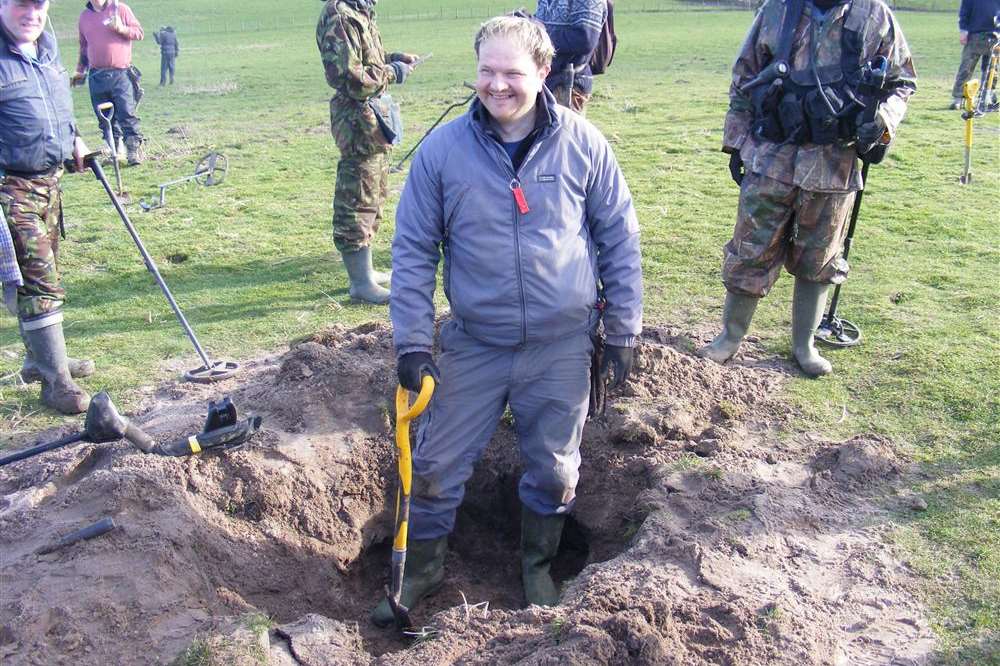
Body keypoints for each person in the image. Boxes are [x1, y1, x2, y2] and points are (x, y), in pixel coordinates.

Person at [376, 15, 642, 626]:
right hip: (475, 345)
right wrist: (413, 343)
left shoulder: (583, 144)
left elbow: (619, 238)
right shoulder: (442, 153)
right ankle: (421, 570)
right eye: (486, 72)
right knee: (437, 467)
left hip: (562, 347)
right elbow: (413, 251)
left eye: (512, 73)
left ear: (544, 72)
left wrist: (623, 331)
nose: (497, 86)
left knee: (554, 469)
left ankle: (538, 568)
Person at [700, 0, 916, 377]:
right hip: (771, 156)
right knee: (750, 249)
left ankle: (805, 345)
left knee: (820, 259)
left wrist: (883, 120)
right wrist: (735, 142)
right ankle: (730, 338)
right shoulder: (776, 11)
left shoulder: (874, 15)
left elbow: (902, 82)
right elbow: (744, 77)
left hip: (834, 163)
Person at [1, 0, 94, 414]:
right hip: (9, 186)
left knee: (42, 269)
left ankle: (40, 360)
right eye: (21, 5)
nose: (32, 14)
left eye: (38, 5)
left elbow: (55, 103)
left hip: (50, 183)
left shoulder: (47, 47)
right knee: (40, 277)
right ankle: (57, 383)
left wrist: (73, 139)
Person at [316, 0, 420, 304]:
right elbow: (351, 78)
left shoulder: (359, 12)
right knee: (357, 198)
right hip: (356, 122)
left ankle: (367, 273)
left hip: (371, 121)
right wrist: (392, 72)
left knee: (373, 194)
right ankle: (360, 283)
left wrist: (392, 59)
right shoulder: (340, 14)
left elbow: (363, 61)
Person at [73, 0, 145, 165]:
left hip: (121, 74)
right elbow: (84, 47)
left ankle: (133, 153)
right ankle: (115, 153)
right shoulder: (84, 17)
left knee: (127, 114)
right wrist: (79, 71)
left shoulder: (121, 9)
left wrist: (121, 28)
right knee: (104, 118)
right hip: (96, 76)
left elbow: (139, 33)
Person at [535, 0, 606, 113]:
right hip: (545, 81)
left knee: (565, 129)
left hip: (567, 85)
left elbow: (585, 39)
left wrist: (539, 35)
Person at [949, 0, 999, 110]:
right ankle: (959, 98)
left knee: (991, 70)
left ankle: (987, 97)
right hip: (974, 35)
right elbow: (964, 12)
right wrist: (963, 31)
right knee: (966, 68)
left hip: (995, 37)